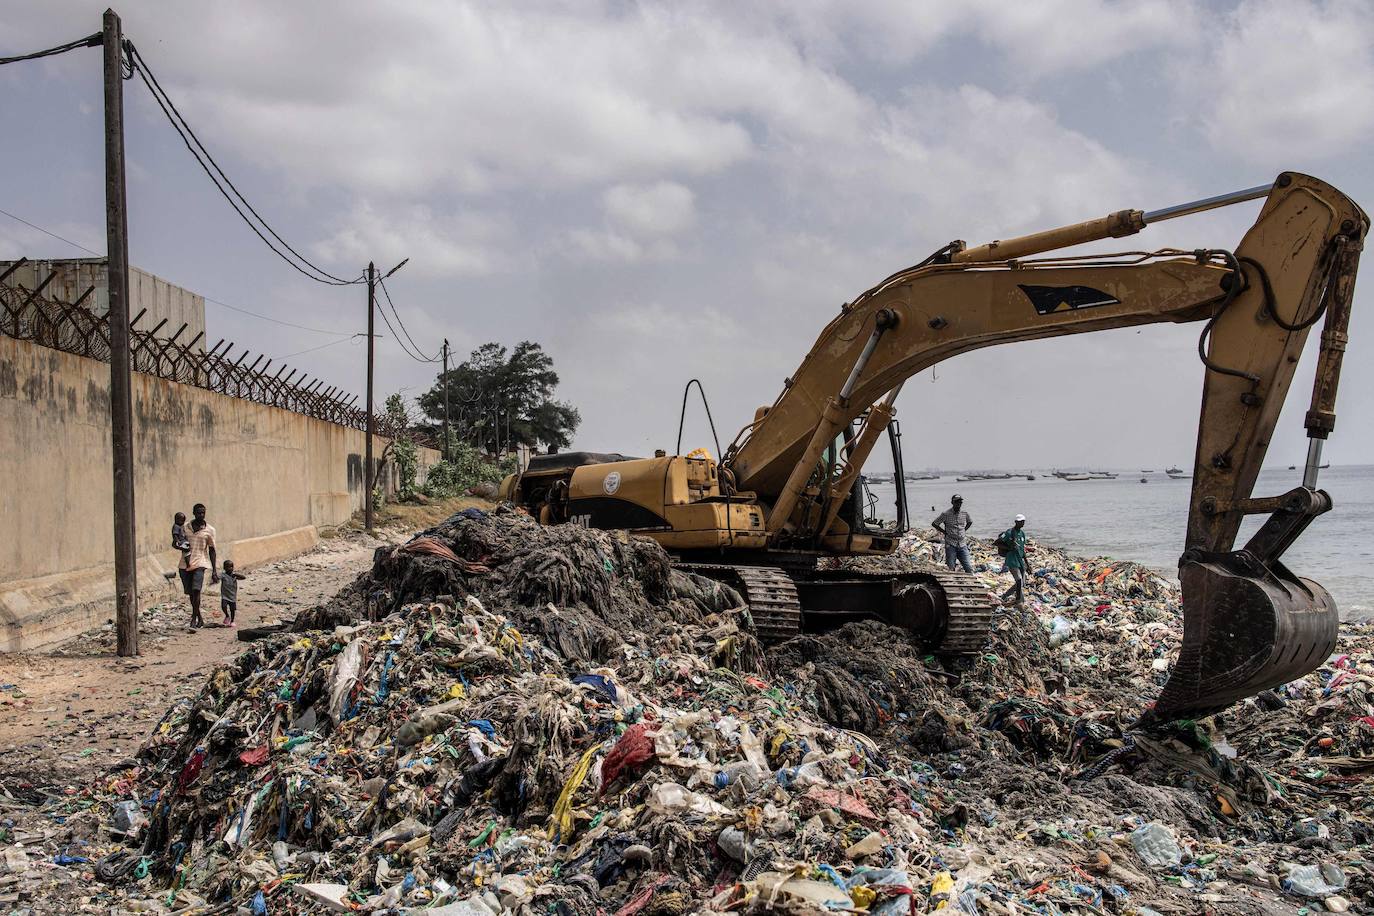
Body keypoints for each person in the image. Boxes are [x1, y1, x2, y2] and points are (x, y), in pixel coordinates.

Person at [182, 516, 217, 629]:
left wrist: (214, 570)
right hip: (185, 564)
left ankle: (193, 619)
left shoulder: (210, 530)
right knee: (191, 594)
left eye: (203, 513)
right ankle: (200, 619)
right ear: (194, 513)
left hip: (201, 563)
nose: (201, 515)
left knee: (196, 590)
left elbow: (212, 550)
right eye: (198, 513)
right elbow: (176, 542)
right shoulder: (185, 527)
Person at [932, 494, 973, 573]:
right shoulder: (946, 514)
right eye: (956, 502)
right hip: (951, 544)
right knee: (951, 567)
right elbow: (935, 523)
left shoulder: (965, 513)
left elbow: (970, 522)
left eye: (960, 502)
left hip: (962, 543)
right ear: (952, 502)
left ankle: (970, 582)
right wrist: (944, 532)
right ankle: (952, 582)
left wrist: (964, 530)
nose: (958, 504)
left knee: (968, 567)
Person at [997, 514, 1029, 607]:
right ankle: (1019, 601)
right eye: (1020, 522)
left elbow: (1022, 550)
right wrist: (1010, 547)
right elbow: (997, 543)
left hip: (1020, 561)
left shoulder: (1022, 534)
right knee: (1019, 580)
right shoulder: (1009, 532)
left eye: (1023, 521)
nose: (1022, 523)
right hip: (1012, 560)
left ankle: (1005, 596)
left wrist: (1027, 564)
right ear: (1016, 522)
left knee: (1021, 584)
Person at [219, 559, 246, 627]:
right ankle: (227, 616)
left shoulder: (234, 576)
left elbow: (244, 577)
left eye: (231, 566)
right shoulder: (223, 575)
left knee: (232, 609)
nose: (230, 568)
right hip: (225, 595)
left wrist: (235, 574)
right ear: (224, 568)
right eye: (228, 567)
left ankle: (232, 621)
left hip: (232, 596)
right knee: (223, 606)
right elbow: (217, 578)